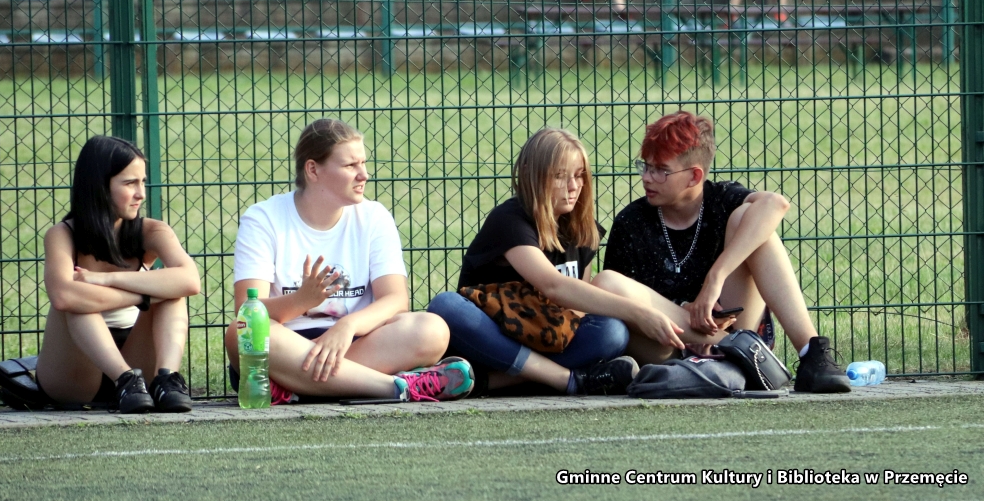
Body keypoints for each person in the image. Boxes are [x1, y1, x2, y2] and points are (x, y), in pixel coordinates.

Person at [595, 112, 851, 393]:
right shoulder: (631, 222)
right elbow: (620, 305)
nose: (647, 177)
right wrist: (686, 313)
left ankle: (811, 355)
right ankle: (734, 358)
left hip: (734, 331)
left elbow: (775, 204)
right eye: (645, 166)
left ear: (694, 176)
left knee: (750, 219)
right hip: (667, 343)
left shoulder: (721, 199)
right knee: (606, 282)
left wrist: (715, 279)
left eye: (661, 170)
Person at [226, 118, 474, 403]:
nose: (364, 175)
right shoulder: (264, 219)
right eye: (350, 165)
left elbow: (395, 300)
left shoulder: (374, 217)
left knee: (432, 330)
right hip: (287, 342)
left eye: (363, 163)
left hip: (355, 341)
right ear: (313, 170)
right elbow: (247, 310)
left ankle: (296, 386)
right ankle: (395, 387)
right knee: (240, 333)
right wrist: (302, 300)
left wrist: (348, 326)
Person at [428, 128, 685, 397]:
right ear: (530, 174)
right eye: (560, 176)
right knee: (447, 306)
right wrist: (639, 313)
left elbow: (578, 307)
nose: (574, 186)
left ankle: (488, 382)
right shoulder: (509, 220)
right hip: (494, 339)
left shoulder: (583, 229)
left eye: (579, 175)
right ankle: (567, 380)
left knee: (612, 332)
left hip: (548, 340)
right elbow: (554, 286)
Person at [36, 136, 201, 413]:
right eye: (130, 183)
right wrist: (144, 295)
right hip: (73, 373)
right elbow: (63, 297)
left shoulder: (152, 231)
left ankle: (167, 380)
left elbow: (190, 281)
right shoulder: (62, 235)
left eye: (142, 182)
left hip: (138, 370)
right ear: (100, 186)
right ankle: (124, 379)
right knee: (79, 302)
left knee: (174, 294)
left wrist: (107, 279)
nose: (141, 194)